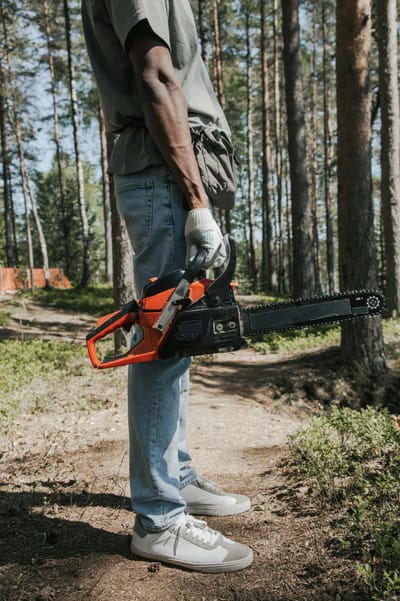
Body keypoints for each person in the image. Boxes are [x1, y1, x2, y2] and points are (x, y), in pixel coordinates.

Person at [81, 0, 253, 573]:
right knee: (161, 341)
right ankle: (159, 519)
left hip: (165, 169)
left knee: (175, 337)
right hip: (162, 172)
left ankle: (174, 475)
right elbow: (155, 72)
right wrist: (198, 202)